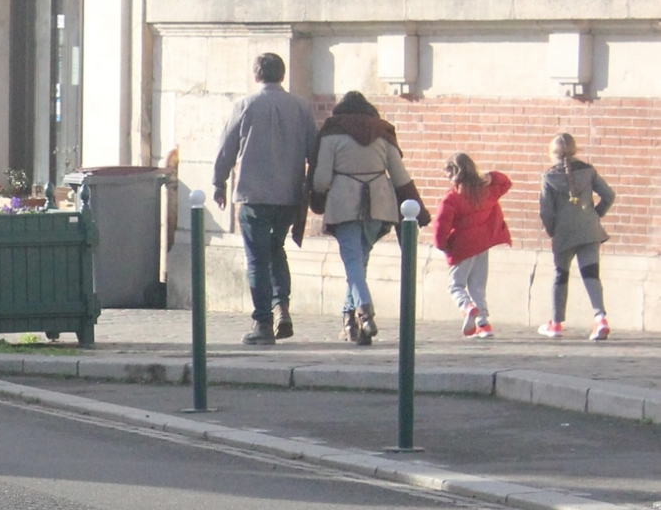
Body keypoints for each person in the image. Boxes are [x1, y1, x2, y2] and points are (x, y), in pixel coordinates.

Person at [211, 51, 319, 345]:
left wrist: (218, 183)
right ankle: (281, 304)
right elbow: (314, 152)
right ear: (281, 75)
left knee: (257, 258)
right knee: (276, 250)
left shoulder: (245, 105)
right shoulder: (300, 107)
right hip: (288, 195)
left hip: (252, 194)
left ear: (256, 75)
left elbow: (226, 148)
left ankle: (262, 323)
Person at [310, 91, 421, 346]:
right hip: (380, 202)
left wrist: (317, 195)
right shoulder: (383, 133)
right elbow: (400, 176)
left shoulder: (331, 134)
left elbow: (321, 180)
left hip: (344, 203)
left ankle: (365, 312)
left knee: (352, 261)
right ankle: (351, 323)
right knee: (359, 262)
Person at [539, 131, 616, 340]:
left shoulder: (548, 177)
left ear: (552, 153)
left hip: (564, 234)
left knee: (560, 276)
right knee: (591, 273)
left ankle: (555, 323)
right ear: (575, 150)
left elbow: (546, 211)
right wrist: (595, 215)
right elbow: (609, 195)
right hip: (589, 230)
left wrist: (552, 230)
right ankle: (600, 318)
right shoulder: (588, 171)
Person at [434, 152, 511, 339]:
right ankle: (483, 324)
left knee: (456, 285)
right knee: (478, 285)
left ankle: (467, 307)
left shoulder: (452, 198)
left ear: (454, 174)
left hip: (461, 247)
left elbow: (441, 226)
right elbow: (505, 182)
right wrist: (491, 176)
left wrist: (442, 245)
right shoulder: (487, 191)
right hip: (483, 243)